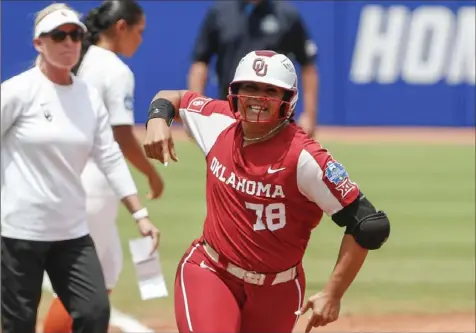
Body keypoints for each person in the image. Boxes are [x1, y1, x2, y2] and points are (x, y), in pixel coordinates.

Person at [144, 50, 390, 333]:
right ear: (234, 91)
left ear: (288, 99)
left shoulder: (304, 158)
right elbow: (171, 97)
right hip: (211, 271)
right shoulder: (219, 120)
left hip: (279, 290)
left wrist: (333, 293)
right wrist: (157, 119)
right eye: (250, 87)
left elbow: (368, 225)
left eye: (270, 90)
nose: (259, 97)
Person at [0, 4, 160, 333]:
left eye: (75, 35)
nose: (69, 42)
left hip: (71, 231)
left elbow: (110, 154)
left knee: (94, 311)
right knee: (18, 324)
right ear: (38, 43)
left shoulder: (87, 95)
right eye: (59, 35)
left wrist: (140, 214)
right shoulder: (17, 91)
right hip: (20, 231)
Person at [188, 0, 320, 136]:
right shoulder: (220, 12)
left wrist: (310, 115)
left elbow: (308, 66)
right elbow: (200, 63)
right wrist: (195, 113)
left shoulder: (287, 14)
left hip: (276, 114)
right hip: (231, 112)